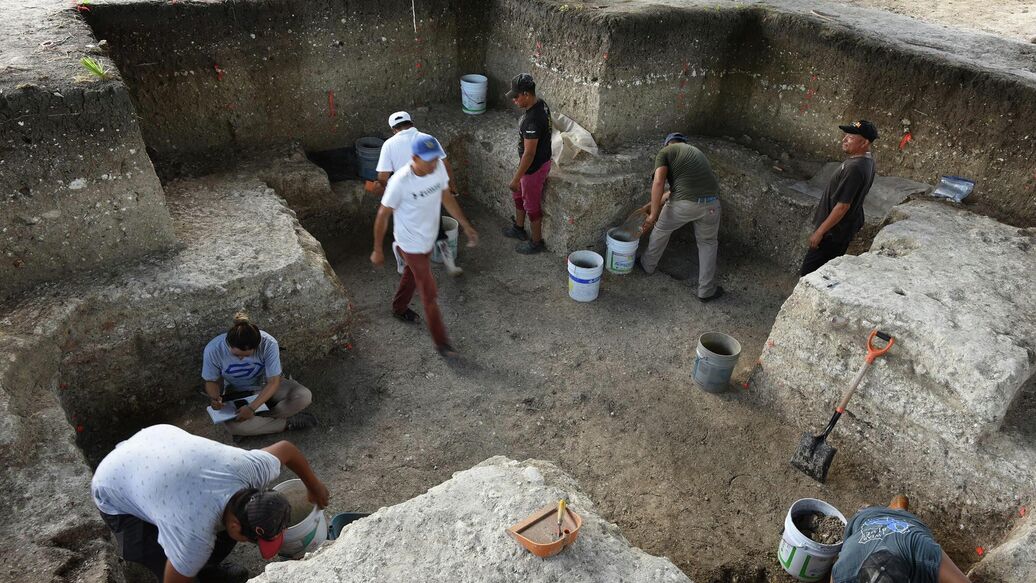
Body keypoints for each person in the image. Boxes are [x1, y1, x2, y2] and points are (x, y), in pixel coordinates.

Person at [91, 424, 330, 583]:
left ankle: (206, 569)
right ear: (235, 525)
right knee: (154, 554)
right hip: (113, 484)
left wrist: (314, 486)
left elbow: (286, 449)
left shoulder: (251, 468)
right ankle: (201, 573)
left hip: (157, 444)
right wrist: (186, 566)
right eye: (254, 539)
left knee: (210, 544)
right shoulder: (193, 534)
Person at [370, 133, 478, 358]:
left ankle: (399, 307)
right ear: (414, 158)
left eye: (435, 159)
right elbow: (382, 215)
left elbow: (446, 197)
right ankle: (442, 344)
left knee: (411, 274)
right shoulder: (400, 182)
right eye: (428, 160)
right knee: (429, 293)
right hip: (410, 242)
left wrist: (466, 225)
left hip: (428, 236)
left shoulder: (436, 169)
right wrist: (378, 249)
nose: (433, 164)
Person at [373, 111, 464, 276]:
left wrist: (381, 189)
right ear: (411, 123)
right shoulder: (427, 139)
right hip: (429, 191)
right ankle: (450, 264)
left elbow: (383, 177)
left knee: (405, 236)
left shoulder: (389, 145)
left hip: (404, 198)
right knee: (437, 228)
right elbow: (445, 164)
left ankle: (403, 266)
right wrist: (452, 186)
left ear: (393, 129)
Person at [639, 132, 724, 302]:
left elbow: (658, 182)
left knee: (661, 229)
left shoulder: (665, 152)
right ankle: (706, 291)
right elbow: (674, 191)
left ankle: (647, 265)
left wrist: (653, 215)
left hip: (684, 205)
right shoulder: (694, 153)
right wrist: (650, 206)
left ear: (667, 144)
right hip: (712, 205)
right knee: (708, 243)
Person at [202, 312, 317, 437]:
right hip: (237, 392)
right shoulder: (213, 349)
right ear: (229, 345)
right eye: (236, 355)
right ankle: (287, 422)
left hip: (266, 386)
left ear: (256, 346)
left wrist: (251, 408)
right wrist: (215, 398)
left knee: (303, 396)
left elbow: (273, 382)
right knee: (234, 427)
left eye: (247, 355)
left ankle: (258, 421)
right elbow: (211, 381)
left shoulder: (269, 344)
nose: (241, 359)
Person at [830, 495, 972, 583]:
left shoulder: (922, 549)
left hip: (908, 523)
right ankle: (893, 506)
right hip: (866, 518)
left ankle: (898, 507)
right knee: (890, 509)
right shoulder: (844, 571)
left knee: (900, 509)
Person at [800, 120, 878, 276]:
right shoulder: (867, 161)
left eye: (851, 137)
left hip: (832, 234)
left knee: (808, 274)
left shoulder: (854, 168)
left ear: (864, 142)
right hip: (839, 232)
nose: (844, 139)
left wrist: (820, 232)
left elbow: (843, 206)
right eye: (846, 135)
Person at [502, 73, 552, 254]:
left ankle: (536, 242)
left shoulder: (532, 121)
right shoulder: (541, 104)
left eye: (516, 96)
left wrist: (516, 178)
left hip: (533, 168)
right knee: (518, 195)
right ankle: (519, 228)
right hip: (530, 164)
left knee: (531, 205)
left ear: (527, 94)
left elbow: (530, 154)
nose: (514, 100)